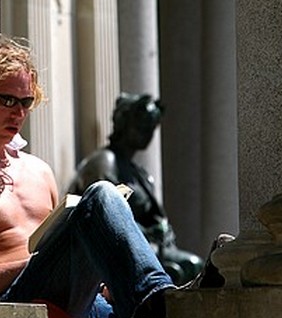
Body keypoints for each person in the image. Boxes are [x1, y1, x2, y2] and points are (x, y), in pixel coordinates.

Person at [0, 36, 177, 318]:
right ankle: (157, 304)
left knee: (108, 200)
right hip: (15, 303)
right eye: (7, 100)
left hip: (82, 304)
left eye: (26, 102)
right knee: (100, 194)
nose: (18, 113)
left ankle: (162, 301)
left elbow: (65, 255)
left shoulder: (39, 171)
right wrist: (25, 266)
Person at [69, 93, 203, 285]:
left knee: (198, 268)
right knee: (191, 266)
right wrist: (147, 232)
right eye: (141, 126)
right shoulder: (105, 162)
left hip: (147, 244)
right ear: (123, 123)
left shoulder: (138, 172)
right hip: (115, 247)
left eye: (151, 127)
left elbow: (154, 217)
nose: (147, 132)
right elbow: (99, 210)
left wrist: (162, 228)